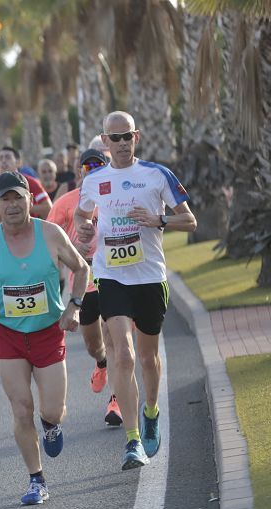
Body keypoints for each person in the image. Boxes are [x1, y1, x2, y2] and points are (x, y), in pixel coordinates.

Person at [0, 172, 89, 504]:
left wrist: (74, 306)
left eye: (18, 197)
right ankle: (36, 480)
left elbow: (82, 268)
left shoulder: (50, 233)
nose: (12, 205)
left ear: (30, 199)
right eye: (5, 199)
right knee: (20, 409)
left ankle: (51, 425)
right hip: (9, 334)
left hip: (47, 333)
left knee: (53, 410)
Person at [74, 111, 196, 469]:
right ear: (105, 141)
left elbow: (190, 221)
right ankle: (132, 441)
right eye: (116, 138)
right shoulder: (95, 180)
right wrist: (84, 229)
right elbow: (83, 216)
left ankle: (152, 410)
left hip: (150, 277)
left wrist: (159, 219)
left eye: (128, 136)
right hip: (111, 276)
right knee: (123, 356)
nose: (123, 143)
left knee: (147, 358)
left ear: (136, 137)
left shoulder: (157, 175)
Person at [47, 149, 123, 427]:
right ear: (79, 172)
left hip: (115, 278)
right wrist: (72, 251)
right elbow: (49, 240)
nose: (93, 170)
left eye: (98, 166)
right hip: (85, 284)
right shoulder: (66, 203)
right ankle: (101, 363)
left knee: (116, 339)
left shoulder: (116, 197)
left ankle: (115, 401)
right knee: (95, 344)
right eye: (87, 167)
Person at [0, 146, 53, 218]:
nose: (3, 161)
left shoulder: (31, 182)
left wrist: (22, 206)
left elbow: (48, 208)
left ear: (18, 162)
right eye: (1, 158)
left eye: (8, 157)